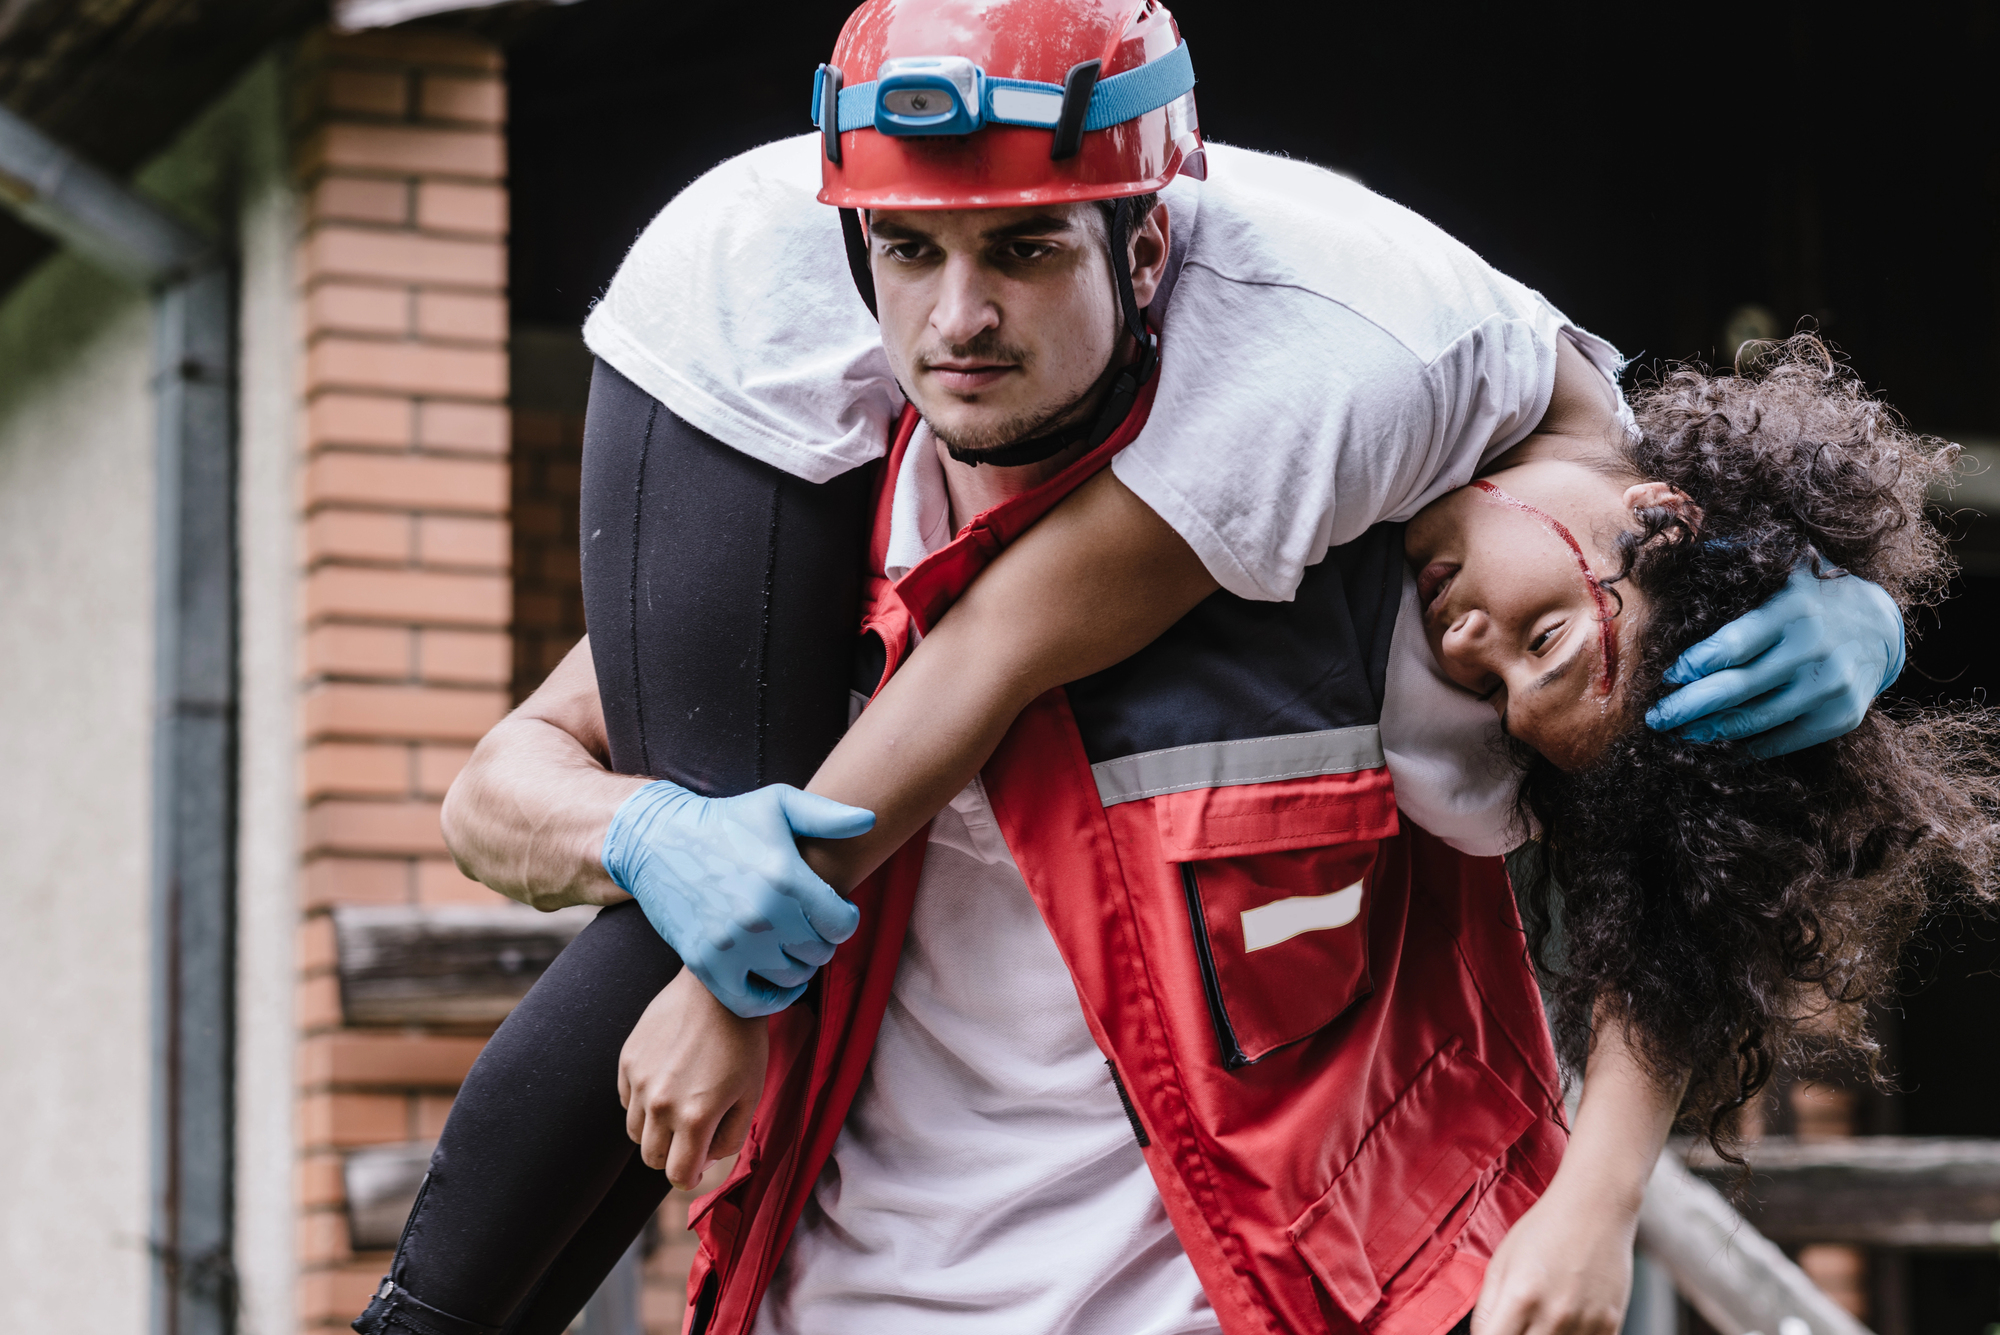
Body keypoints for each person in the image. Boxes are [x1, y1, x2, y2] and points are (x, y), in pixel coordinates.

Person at [350, 4, 1913, 1334]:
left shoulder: (1392, 524)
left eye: (1027, 253)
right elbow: (506, 792)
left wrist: (1854, 621)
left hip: (1251, 1277)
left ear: (1147, 250)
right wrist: (663, 867)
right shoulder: (849, 517)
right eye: (911, 255)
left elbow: (1684, 882)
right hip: (845, 1286)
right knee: (726, 843)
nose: (1475, 653)